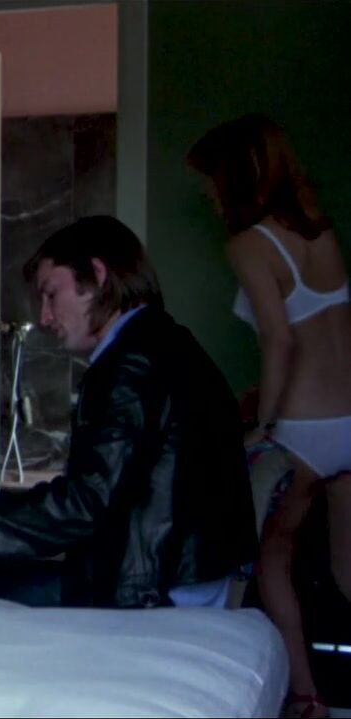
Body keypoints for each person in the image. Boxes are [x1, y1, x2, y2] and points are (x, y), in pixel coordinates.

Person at [0, 215, 256, 612]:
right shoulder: (165, 343)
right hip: (180, 570)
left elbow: (87, 501)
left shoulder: (131, 365)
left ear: (97, 275)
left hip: (153, 586)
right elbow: (95, 489)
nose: (45, 316)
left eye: (51, 294)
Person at [187, 113, 351, 719]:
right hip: (348, 418)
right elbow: (325, 332)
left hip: (301, 430)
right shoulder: (319, 231)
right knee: (348, 572)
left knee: (265, 562)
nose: (208, 194)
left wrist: (265, 423)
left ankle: (305, 697)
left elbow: (280, 340)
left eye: (210, 180)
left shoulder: (249, 244)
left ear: (233, 176)